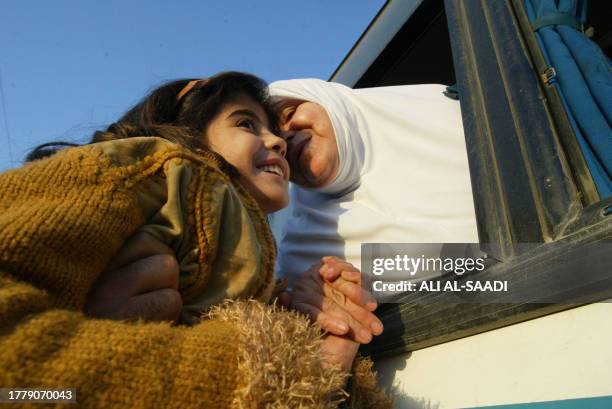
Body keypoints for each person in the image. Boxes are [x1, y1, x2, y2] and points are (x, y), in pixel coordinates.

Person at [0, 72, 391, 408]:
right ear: (188, 125)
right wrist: (261, 369)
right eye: (246, 123)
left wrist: (314, 332)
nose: (278, 141)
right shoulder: (150, 165)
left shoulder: (253, 250)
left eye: (274, 131)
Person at [268, 78, 479, 284]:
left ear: (330, 101)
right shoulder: (302, 262)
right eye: (273, 140)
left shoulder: (460, 107)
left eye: (290, 112)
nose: (284, 136)